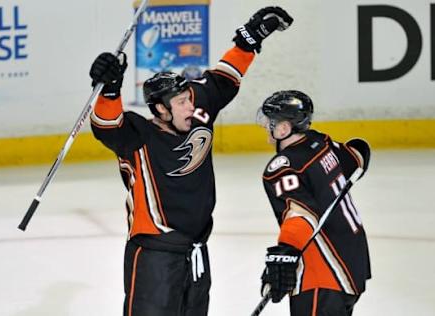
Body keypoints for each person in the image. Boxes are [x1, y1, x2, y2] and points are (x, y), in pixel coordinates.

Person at [88, 6, 293, 316]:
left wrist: (250, 38)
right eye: (180, 102)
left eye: (188, 98)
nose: (189, 106)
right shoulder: (137, 136)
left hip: (196, 253)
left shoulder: (197, 112)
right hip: (154, 258)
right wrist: (110, 89)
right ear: (160, 110)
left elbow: (224, 77)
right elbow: (106, 125)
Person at [257, 90, 371, 316]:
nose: (265, 126)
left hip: (323, 272)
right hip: (353, 260)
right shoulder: (321, 142)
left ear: (283, 129)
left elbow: (301, 216)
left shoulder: (283, 166)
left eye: (270, 121)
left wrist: (284, 254)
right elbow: (356, 157)